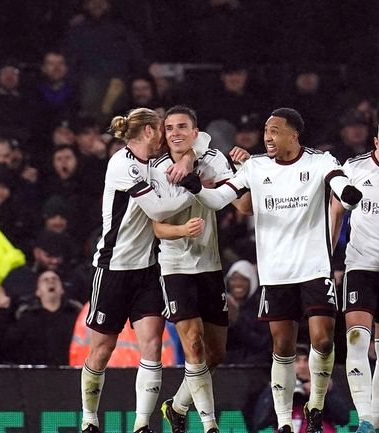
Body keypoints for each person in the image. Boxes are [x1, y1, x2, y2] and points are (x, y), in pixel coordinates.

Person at [178, 107, 363, 433]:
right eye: (266, 130)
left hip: (314, 267)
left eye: (274, 130)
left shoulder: (320, 161)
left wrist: (348, 195)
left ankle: (316, 406)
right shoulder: (256, 166)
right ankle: (283, 422)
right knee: (282, 347)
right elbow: (221, 198)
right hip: (276, 274)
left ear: (294, 135)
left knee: (322, 340)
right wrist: (197, 188)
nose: (267, 136)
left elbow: (340, 184)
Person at [80, 108, 195, 433]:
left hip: (146, 271)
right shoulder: (121, 164)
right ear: (147, 131)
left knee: (152, 346)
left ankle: (142, 424)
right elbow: (158, 208)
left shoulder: (156, 167)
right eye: (161, 129)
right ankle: (89, 418)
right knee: (102, 349)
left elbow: (197, 145)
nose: (166, 136)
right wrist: (192, 189)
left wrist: (187, 161)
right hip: (113, 267)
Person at [151, 105, 251, 433]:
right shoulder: (157, 169)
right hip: (175, 265)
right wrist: (182, 231)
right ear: (164, 136)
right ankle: (210, 425)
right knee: (192, 343)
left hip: (209, 265)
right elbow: (157, 227)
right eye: (170, 128)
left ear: (195, 133)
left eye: (182, 126)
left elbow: (244, 208)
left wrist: (244, 170)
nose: (176, 132)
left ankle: (177, 406)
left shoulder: (214, 160)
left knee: (215, 353)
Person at [331, 113, 379, 433]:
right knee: (356, 340)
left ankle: (376, 423)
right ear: (376, 142)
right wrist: (329, 252)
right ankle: (364, 417)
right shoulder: (354, 168)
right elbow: (336, 210)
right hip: (360, 266)